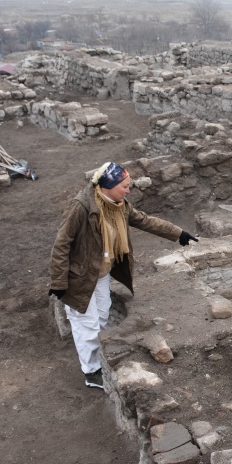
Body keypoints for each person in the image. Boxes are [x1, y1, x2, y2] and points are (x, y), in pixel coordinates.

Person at [49, 162, 198, 389]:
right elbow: (61, 244)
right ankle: (92, 373)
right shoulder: (81, 207)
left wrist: (178, 233)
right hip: (79, 278)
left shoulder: (118, 205)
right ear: (108, 185)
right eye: (125, 186)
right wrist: (59, 282)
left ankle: (98, 361)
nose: (128, 191)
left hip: (101, 273)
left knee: (100, 318)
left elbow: (145, 220)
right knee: (85, 325)